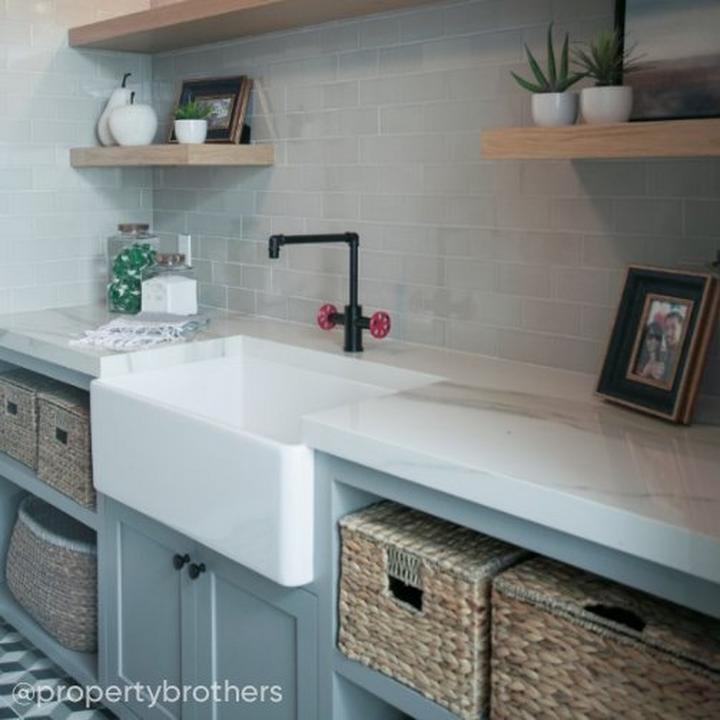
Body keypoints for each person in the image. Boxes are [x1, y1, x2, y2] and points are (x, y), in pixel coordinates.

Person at [661, 310, 685, 385]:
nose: (668, 333)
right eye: (666, 328)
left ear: (683, 330)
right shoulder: (661, 354)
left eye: (673, 328)